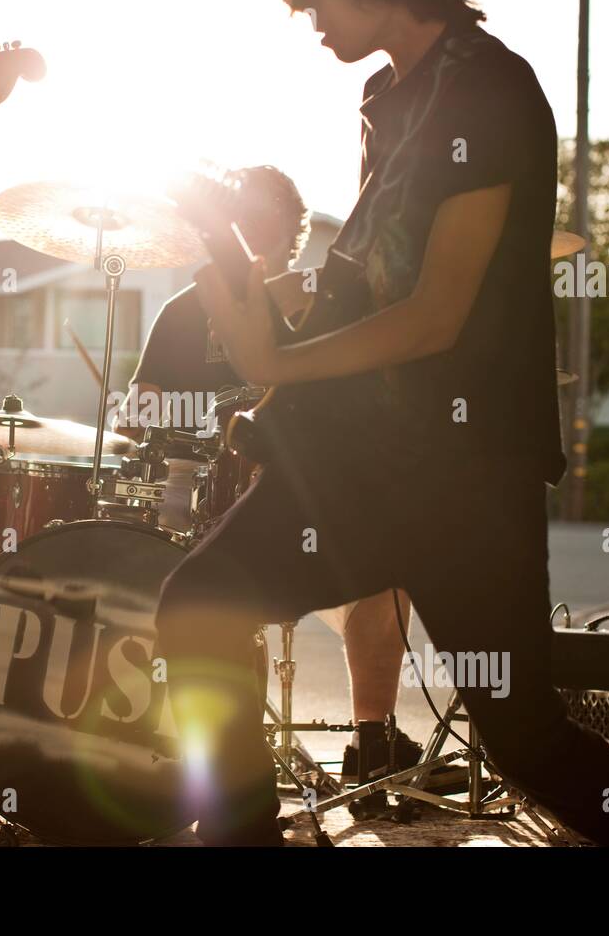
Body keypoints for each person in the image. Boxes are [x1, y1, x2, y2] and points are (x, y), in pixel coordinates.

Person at [154, 0, 609, 847]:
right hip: (360, 458)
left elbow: (435, 315)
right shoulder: (386, 99)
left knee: (522, 736)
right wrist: (221, 241)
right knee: (199, 609)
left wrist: (282, 363)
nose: (308, 21)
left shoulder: (491, 89)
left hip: (466, 470)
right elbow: (370, 279)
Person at [116, 165, 422, 781]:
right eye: (241, 218)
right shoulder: (182, 312)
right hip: (198, 498)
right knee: (198, 589)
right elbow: (137, 417)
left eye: (265, 219)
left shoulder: (327, 306)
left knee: (390, 574)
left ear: (294, 234)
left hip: (310, 500)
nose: (251, 230)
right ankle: (223, 762)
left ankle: (372, 740)